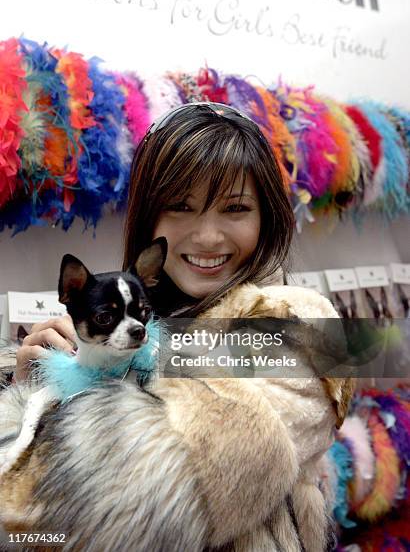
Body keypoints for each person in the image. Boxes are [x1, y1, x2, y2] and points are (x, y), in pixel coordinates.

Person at [3, 103, 329, 552]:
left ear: (266, 217)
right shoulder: (153, 330)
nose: (208, 236)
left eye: (235, 208)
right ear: (149, 219)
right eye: (180, 207)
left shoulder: (306, 327)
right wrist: (28, 392)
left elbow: (76, 520)